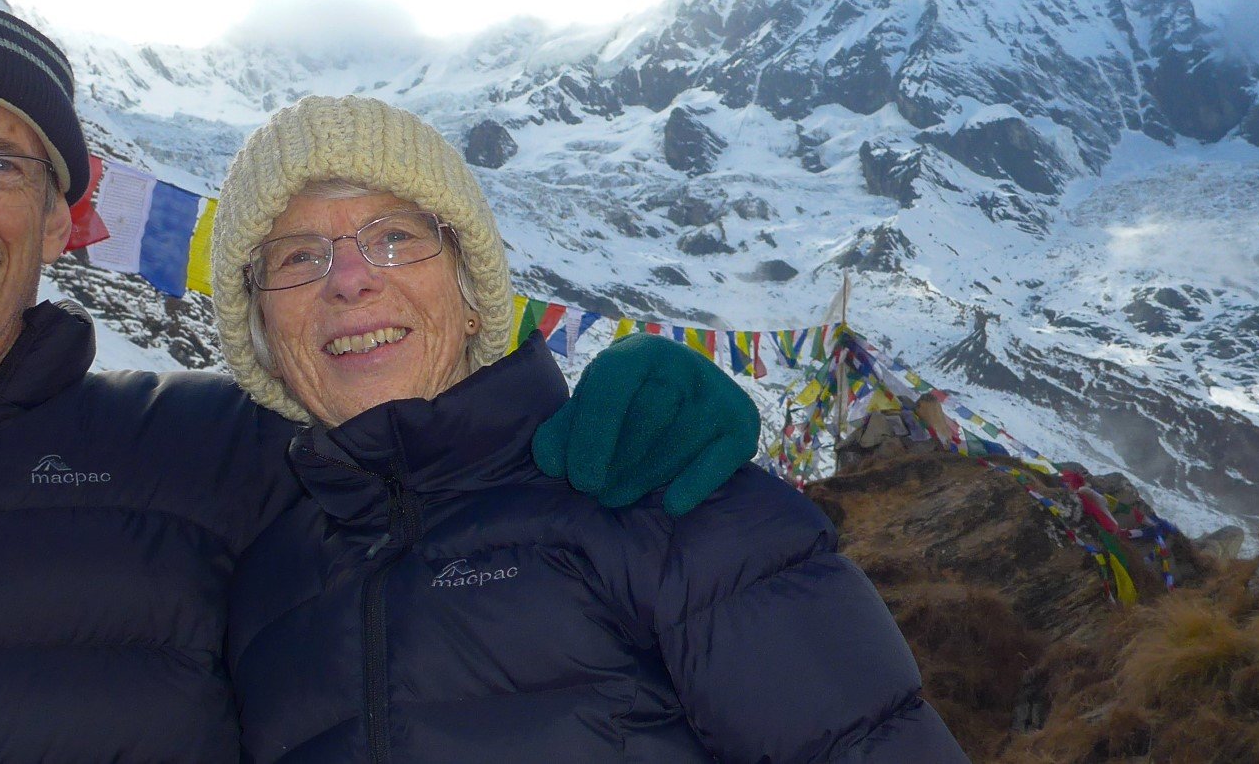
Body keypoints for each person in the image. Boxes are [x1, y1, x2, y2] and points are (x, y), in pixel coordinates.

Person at [0, 3, 760, 762]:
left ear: (67, 222)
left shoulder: (221, 449)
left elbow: (438, 479)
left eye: (0, 165)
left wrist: (599, 419)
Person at [211, 95, 968, 762]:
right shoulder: (260, 593)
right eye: (299, 256)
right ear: (267, 342)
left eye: (395, 237)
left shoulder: (656, 492)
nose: (349, 278)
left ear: (473, 294)